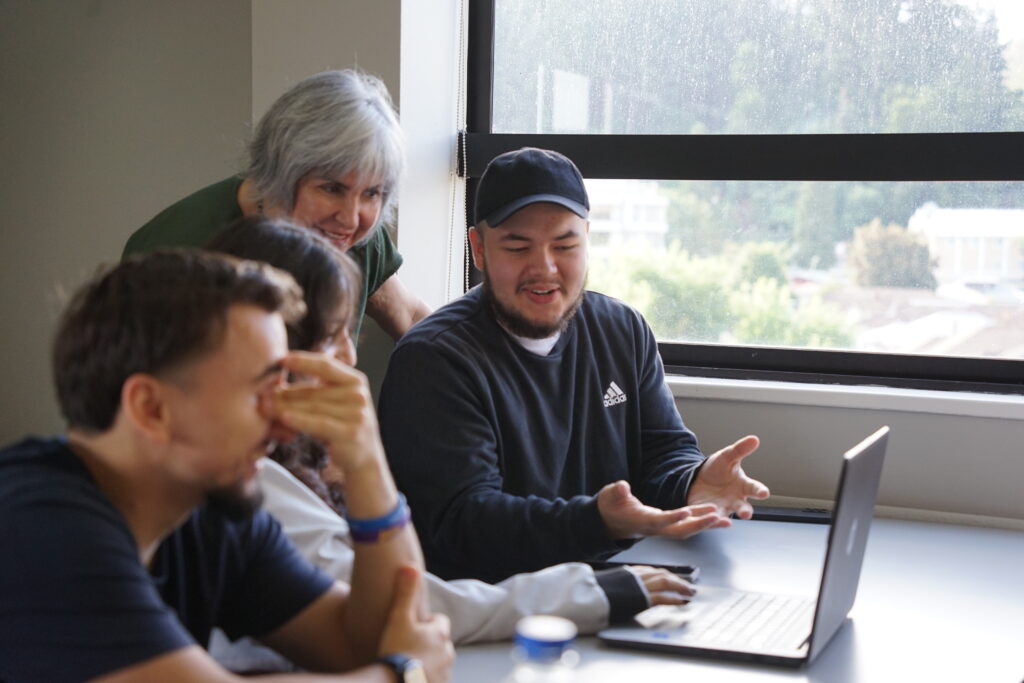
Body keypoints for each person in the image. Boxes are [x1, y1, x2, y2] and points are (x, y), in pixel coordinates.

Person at [204, 217, 697, 666]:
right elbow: (401, 607)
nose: (349, 359)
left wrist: (693, 478)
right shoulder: (251, 481)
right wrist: (592, 589)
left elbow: (386, 607)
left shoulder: (621, 327)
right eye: (331, 336)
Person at [0, 249, 452, 682]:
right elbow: (398, 659)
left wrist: (367, 464)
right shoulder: (36, 525)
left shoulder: (208, 510)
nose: (286, 425)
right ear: (152, 409)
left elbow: (380, 637)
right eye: (263, 392)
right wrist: (403, 677)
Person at [378, 147, 771, 583]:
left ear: (586, 239)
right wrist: (597, 522)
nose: (544, 268)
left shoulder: (623, 330)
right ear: (480, 249)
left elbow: (662, 451)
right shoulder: (435, 359)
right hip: (494, 603)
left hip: (613, 582)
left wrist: (692, 481)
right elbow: (465, 522)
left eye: (565, 245)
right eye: (518, 246)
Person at [122, 69, 430, 341]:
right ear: (280, 170)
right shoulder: (179, 250)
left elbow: (411, 316)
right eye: (331, 188)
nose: (351, 219)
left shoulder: (353, 237)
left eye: (372, 193)